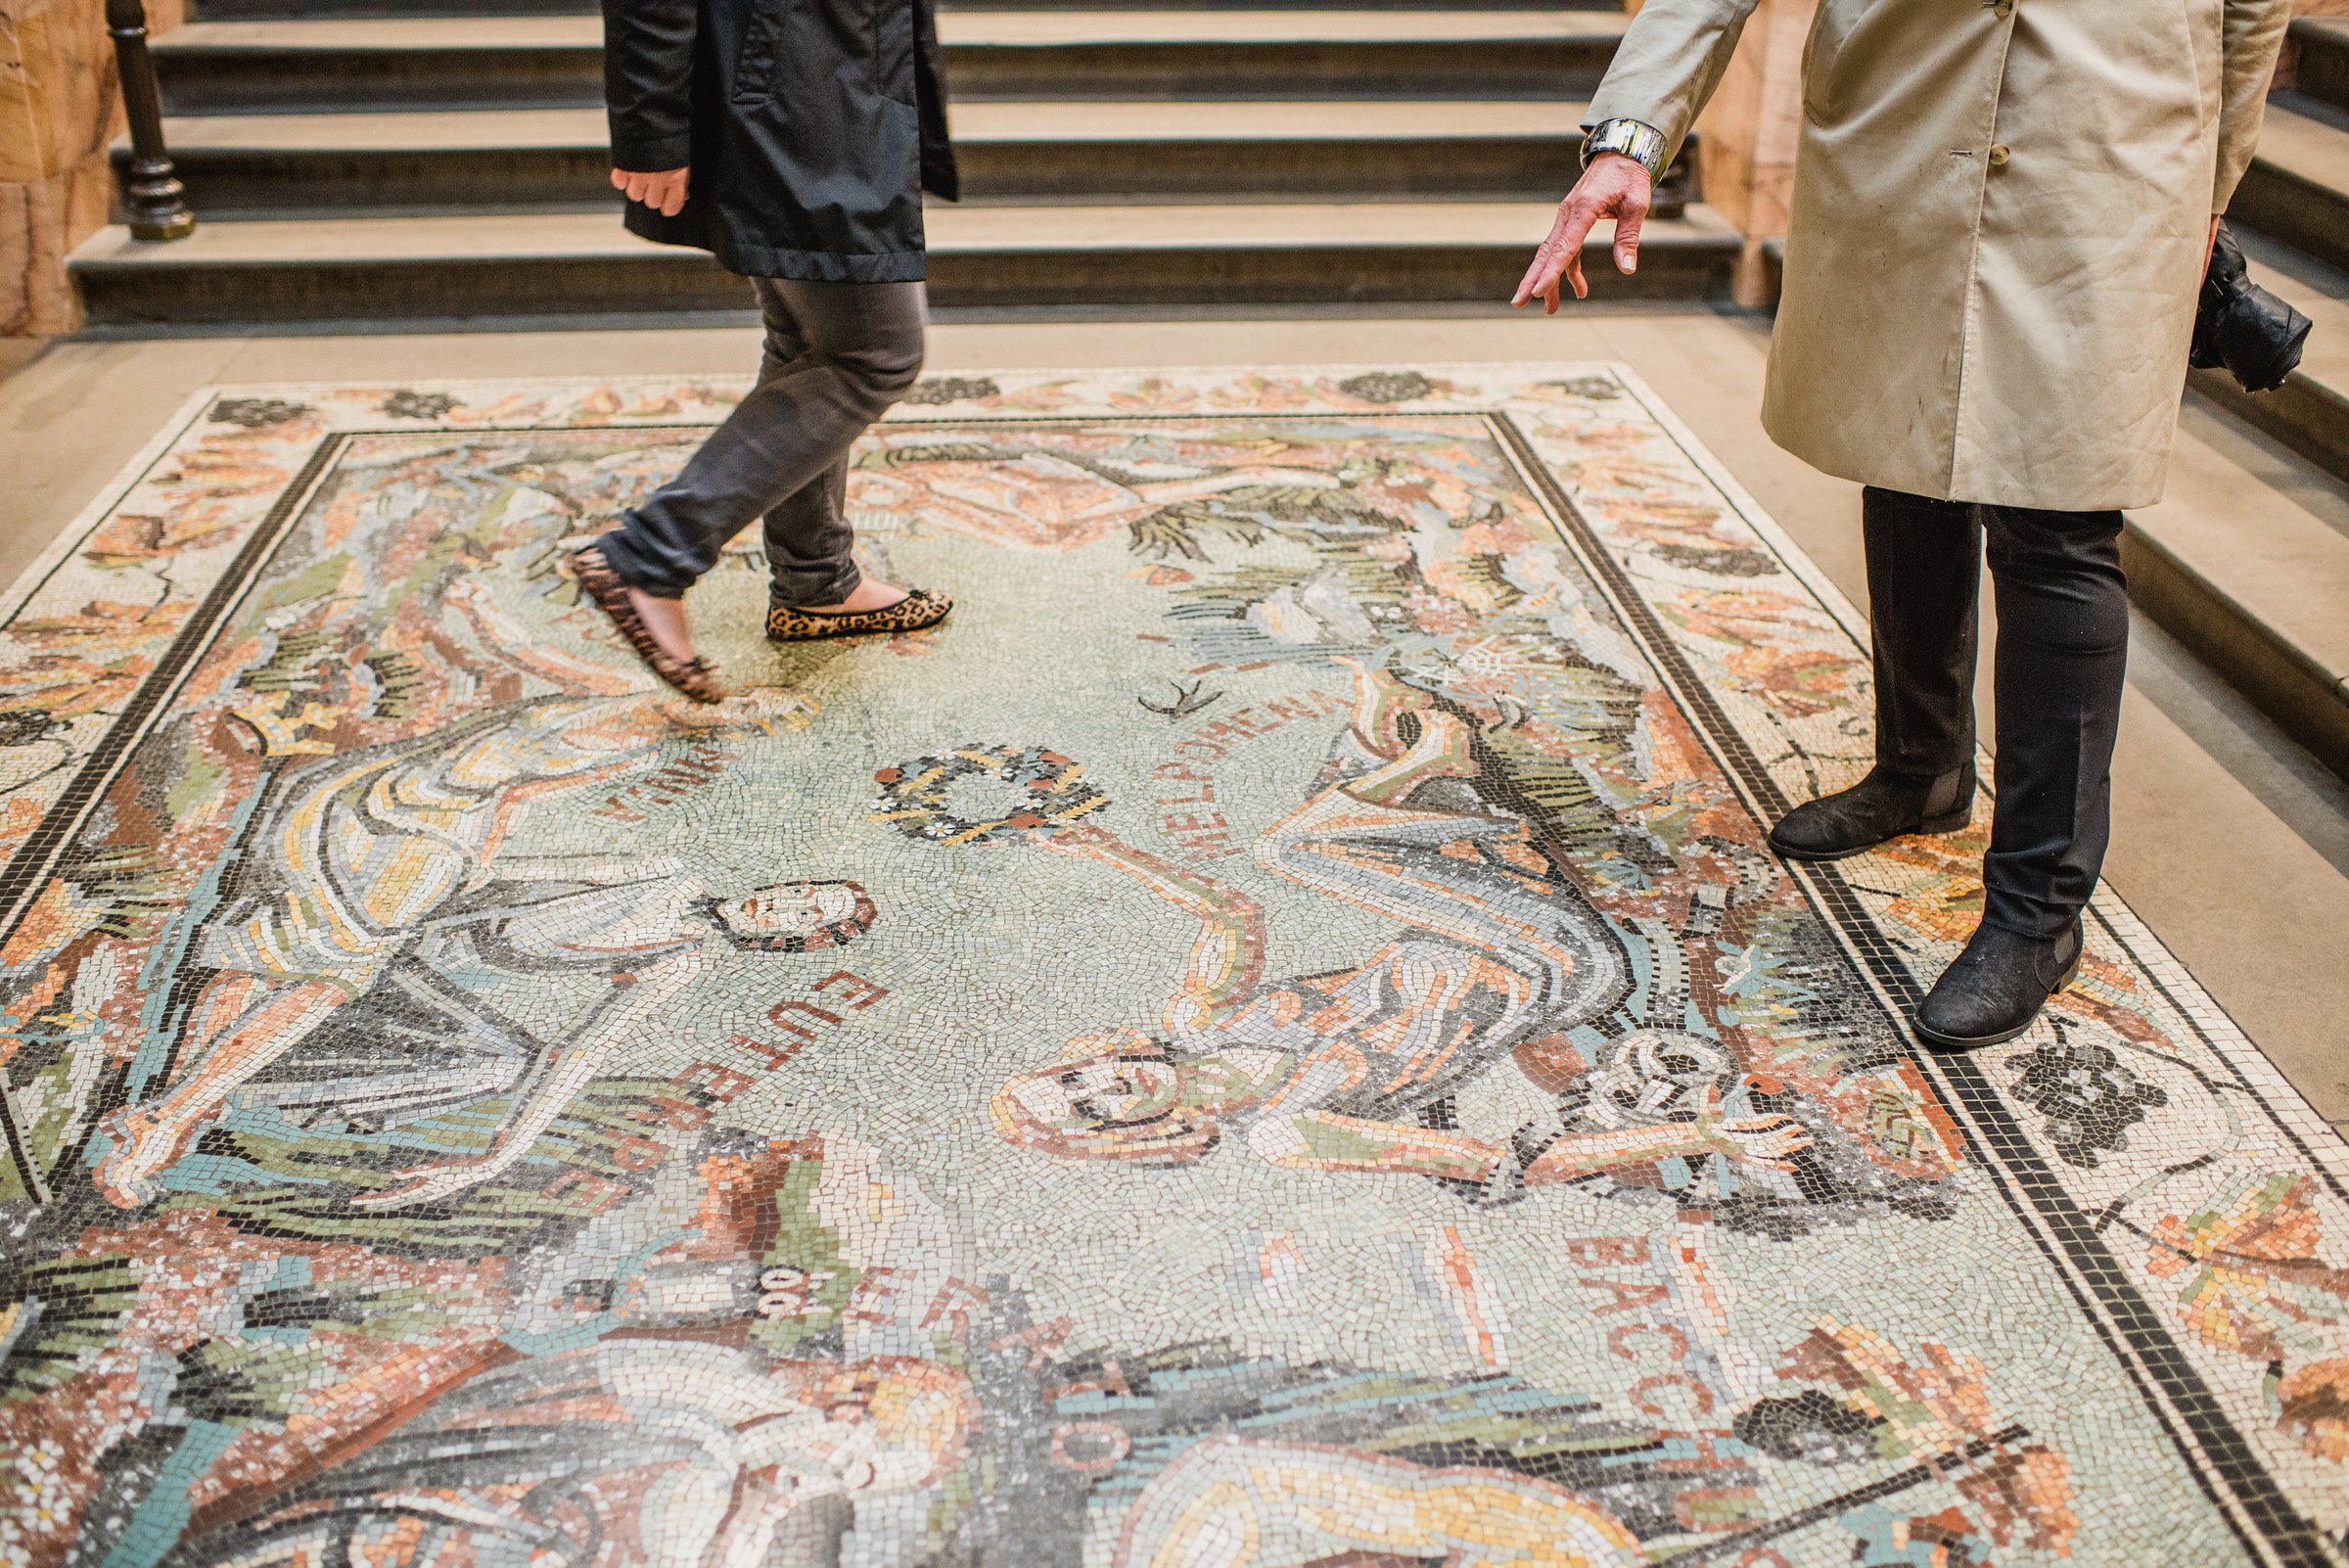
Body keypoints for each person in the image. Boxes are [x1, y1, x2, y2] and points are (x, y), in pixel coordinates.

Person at [1514, 0, 2291, 1049]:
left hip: (2111, 157)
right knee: (1908, 455)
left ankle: (2036, 912)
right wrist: (1631, 135)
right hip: (1903, 140)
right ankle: (1919, 770)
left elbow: (2253, 11)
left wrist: (2210, 184)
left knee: (2058, 521)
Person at [991, 663, 1812, 1196]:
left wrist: (1107, 849)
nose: (1104, 1090)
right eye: (1091, 1113)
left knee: (1333, 828)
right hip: (1551, 965)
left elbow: (1229, 913)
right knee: (1294, 845)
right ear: (1126, 1136)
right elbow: (1504, 1163)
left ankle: (1384, 736)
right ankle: (1435, 752)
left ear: (1087, 1057)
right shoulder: (1286, 1131)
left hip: (1475, 917)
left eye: (1075, 1081)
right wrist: (1703, 1133)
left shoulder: (1200, 1025)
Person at [89, 683, 876, 1212]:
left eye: (803, 913)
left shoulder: (677, 961)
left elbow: (575, 1054)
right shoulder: (661, 875)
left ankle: (197, 1102)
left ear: (789, 938)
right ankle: (172, 1113)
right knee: (321, 967)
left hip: (420, 975)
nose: (788, 898)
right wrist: (424, 876)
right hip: (418, 906)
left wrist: (490, 1162)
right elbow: (511, 866)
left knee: (494, 1059)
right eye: (806, 886)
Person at [574, 0, 964, 702]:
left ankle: (816, 581)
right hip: (791, 95)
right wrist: (652, 127)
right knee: (874, 354)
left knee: (807, 342)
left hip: (825, 81)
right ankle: (648, 555)